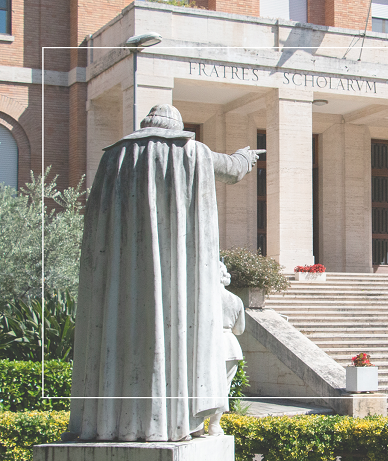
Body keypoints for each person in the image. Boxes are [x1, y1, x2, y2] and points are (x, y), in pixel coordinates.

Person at [67, 104, 260, 442]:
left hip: (122, 270)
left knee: (120, 327)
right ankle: (173, 421)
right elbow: (231, 168)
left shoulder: (114, 157)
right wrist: (246, 156)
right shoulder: (190, 151)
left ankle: (110, 423)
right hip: (176, 268)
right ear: (176, 127)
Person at [207, 261, 246, 437]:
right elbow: (239, 330)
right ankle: (215, 424)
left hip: (208, 343)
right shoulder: (235, 300)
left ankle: (198, 424)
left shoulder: (203, 296)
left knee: (201, 385)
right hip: (229, 345)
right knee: (224, 388)